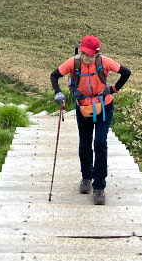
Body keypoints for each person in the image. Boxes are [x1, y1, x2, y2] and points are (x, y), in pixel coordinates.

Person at [50, 35, 132, 205]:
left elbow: (126, 72)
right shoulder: (74, 62)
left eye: (89, 55)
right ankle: (86, 177)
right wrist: (58, 92)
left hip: (104, 106)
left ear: (96, 53)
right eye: (83, 54)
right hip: (83, 108)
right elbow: (54, 75)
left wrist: (113, 89)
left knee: (100, 143)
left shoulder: (103, 62)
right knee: (85, 142)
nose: (86, 58)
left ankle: (99, 186)